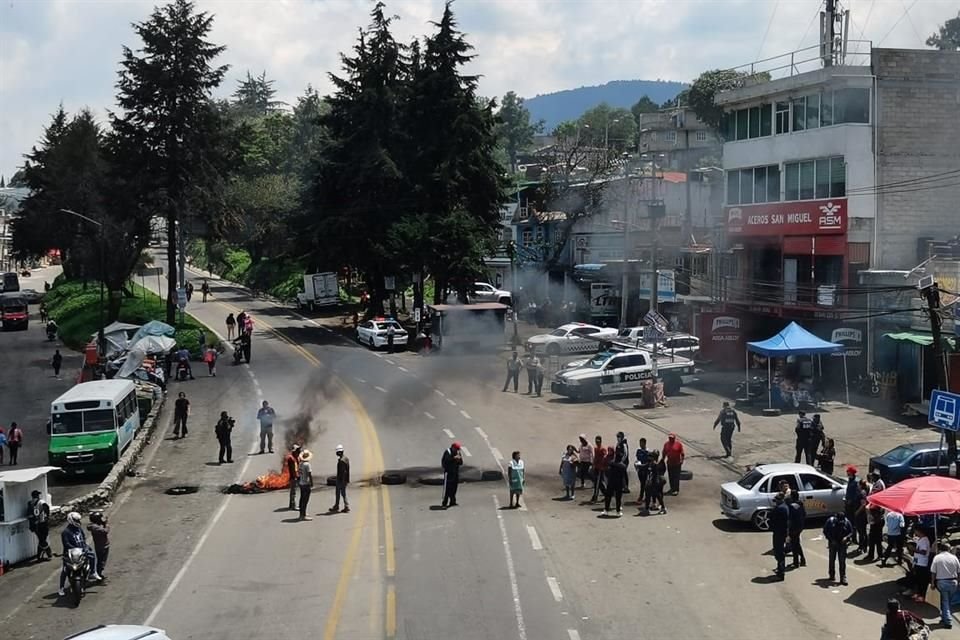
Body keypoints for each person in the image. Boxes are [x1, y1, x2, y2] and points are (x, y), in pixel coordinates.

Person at [58, 512, 100, 597]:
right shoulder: (65, 532)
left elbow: (83, 538)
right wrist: (76, 548)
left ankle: (92, 572)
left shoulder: (79, 529)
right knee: (65, 570)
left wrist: (85, 547)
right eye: (76, 520)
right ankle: (61, 587)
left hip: (82, 551)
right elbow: (66, 544)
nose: (78, 521)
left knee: (92, 555)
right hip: (70, 553)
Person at [930, 540, 960, 628]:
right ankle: (945, 617)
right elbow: (959, 571)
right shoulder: (954, 558)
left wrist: (932, 583)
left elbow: (933, 572)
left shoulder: (937, 558)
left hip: (942, 582)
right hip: (953, 582)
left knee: (945, 601)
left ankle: (948, 620)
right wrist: (958, 581)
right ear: (949, 549)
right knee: (948, 601)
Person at [823, 510, 853, 585]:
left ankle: (843, 577)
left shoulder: (846, 522)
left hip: (842, 544)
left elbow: (851, 531)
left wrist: (846, 537)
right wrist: (831, 540)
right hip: (833, 543)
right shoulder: (830, 521)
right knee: (832, 559)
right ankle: (832, 574)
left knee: (842, 561)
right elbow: (825, 531)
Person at [27, 489, 52, 561]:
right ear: (37, 496)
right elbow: (47, 509)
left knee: (41, 539)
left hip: (35, 525)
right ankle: (48, 553)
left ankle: (39, 556)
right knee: (43, 540)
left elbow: (29, 515)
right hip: (42, 523)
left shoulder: (30, 503)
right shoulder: (41, 502)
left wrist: (32, 525)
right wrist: (47, 517)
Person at [604, 444, 627, 517]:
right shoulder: (622, 466)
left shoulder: (611, 463)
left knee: (608, 496)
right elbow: (624, 476)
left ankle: (606, 510)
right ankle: (618, 511)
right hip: (619, 483)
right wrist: (625, 485)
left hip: (611, 482)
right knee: (618, 498)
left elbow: (607, 471)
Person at [770, 493, 790, 580]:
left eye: (777, 500)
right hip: (780, 532)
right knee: (779, 551)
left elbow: (774, 518)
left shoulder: (781, 509)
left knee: (779, 552)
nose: (776, 502)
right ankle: (780, 569)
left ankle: (781, 573)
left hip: (779, 533)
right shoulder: (783, 507)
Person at [87, 512, 110, 580]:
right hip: (101, 546)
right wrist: (106, 524)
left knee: (102, 561)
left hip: (103, 545)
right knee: (101, 561)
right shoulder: (95, 527)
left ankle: (99, 573)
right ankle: (98, 574)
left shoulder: (95, 525)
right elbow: (105, 531)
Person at [912, 527, 932, 603]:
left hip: (922, 563)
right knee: (918, 579)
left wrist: (914, 549)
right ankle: (918, 593)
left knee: (922, 580)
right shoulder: (921, 539)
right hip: (918, 562)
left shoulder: (924, 540)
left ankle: (922, 595)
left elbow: (923, 552)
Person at [643, 450, 666, 515]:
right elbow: (646, 467)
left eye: (652, 456)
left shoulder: (656, 464)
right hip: (652, 481)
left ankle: (662, 508)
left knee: (656, 495)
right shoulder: (651, 463)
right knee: (651, 495)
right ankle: (648, 508)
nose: (650, 457)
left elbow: (656, 472)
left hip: (655, 482)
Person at [788, 490, 807, 568]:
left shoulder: (791, 506)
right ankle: (802, 559)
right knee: (797, 543)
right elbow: (804, 514)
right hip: (800, 526)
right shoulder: (801, 504)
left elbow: (789, 518)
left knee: (794, 544)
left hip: (793, 527)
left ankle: (796, 562)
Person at [441, 442, 463, 508]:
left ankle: (452, 502)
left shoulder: (458, 453)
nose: (457, 450)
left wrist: (458, 459)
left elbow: (461, 462)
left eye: (458, 449)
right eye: (456, 449)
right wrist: (453, 458)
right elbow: (445, 462)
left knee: (454, 488)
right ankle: (444, 503)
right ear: (452, 447)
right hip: (448, 473)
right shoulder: (447, 452)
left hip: (455, 473)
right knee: (447, 488)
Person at [843, 465, 861, 547]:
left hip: (852, 506)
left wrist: (851, 501)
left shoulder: (855, 482)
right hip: (848, 504)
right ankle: (849, 537)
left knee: (853, 523)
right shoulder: (850, 480)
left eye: (848, 471)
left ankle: (854, 538)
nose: (847, 473)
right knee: (848, 522)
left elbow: (856, 494)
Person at [330, 444, 350, 513]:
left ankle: (346, 506)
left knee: (341, 493)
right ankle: (337, 505)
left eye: (337, 452)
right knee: (339, 493)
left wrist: (341, 481)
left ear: (339, 452)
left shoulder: (341, 461)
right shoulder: (346, 458)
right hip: (344, 479)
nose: (336, 453)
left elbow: (343, 472)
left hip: (341, 480)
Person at [864, 494, 885, 562]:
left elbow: (867, 509)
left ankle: (875, 555)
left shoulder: (874, 506)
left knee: (874, 540)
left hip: (876, 524)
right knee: (875, 540)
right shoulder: (879, 504)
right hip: (878, 523)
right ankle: (876, 555)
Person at [297, 449, 314, 521]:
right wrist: (311, 482)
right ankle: (303, 515)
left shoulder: (300, 464)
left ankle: (302, 513)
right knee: (305, 500)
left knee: (302, 499)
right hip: (306, 484)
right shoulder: (307, 465)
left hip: (301, 483)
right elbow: (309, 475)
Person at [285, 444, 302, 511]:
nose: (299, 451)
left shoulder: (296, 457)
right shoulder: (291, 459)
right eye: (298, 450)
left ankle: (291, 504)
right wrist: (296, 477)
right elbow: (293, 469)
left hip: (295, 476)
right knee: (293, 492)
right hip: (293, 477)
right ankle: (293, 505)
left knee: (293, 491)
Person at [591, 436, 608, 503]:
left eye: (598, 441)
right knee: (597, 483)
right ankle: (606, 494)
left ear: (600, 441)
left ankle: (595, 496)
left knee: (598, 483)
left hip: (601, 468)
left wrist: (603, 466)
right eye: (596, 441)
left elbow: (604, 457)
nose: (597, 443)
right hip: (596, 467)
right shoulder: (595, 448)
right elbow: (595, 457)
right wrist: (593, 465)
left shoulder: (603, 449)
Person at [635, 438, 651, 503]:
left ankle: (642, 497)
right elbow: (638, 459)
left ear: (645, 443)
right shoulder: (638, 451)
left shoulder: (648, 452)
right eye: (640, 443)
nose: (641, 444)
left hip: (645, 470)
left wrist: (643, 466)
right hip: (640, 470)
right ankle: (644, 496)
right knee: (642, 483)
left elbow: (648, 462)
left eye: (642, 443)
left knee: (644, 484)